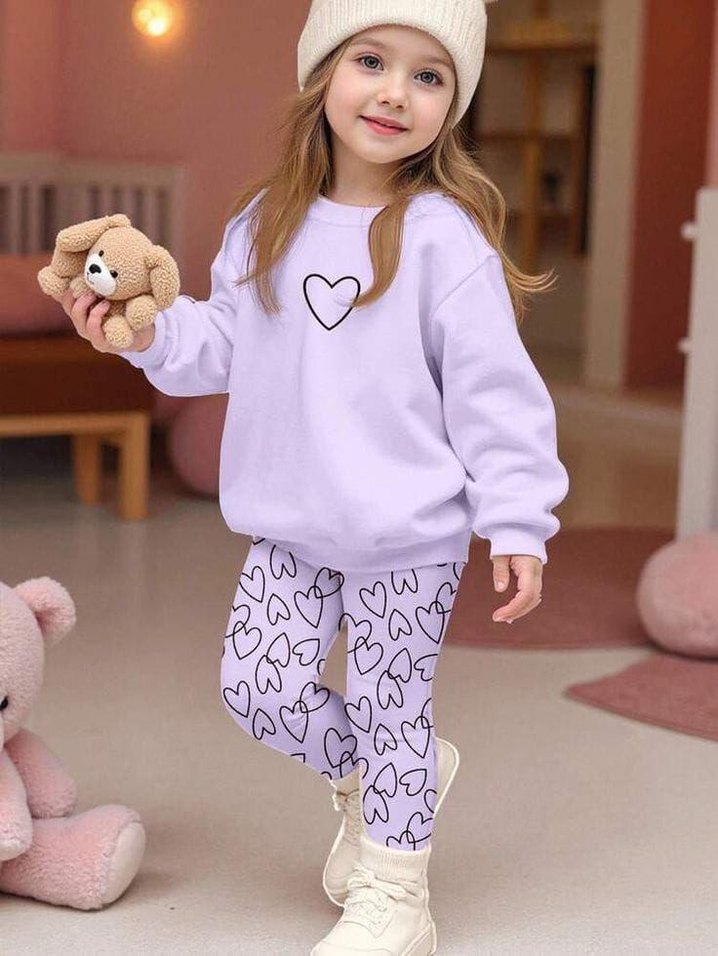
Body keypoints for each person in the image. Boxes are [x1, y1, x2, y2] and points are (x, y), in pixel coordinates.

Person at [62, 0, 570, 952]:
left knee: (390, 706)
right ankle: (390, 779)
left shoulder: (445, 239)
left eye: (428, 75)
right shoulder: (266, 222)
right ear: (323, 71)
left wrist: (517, 519)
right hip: (292, 525)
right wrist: (142, 332)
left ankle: (398, 894)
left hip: (407, 534)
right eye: (371, 60)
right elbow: (221, 343)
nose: (395, 92)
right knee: (258, 689)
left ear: (453, 104)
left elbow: (496, 394)